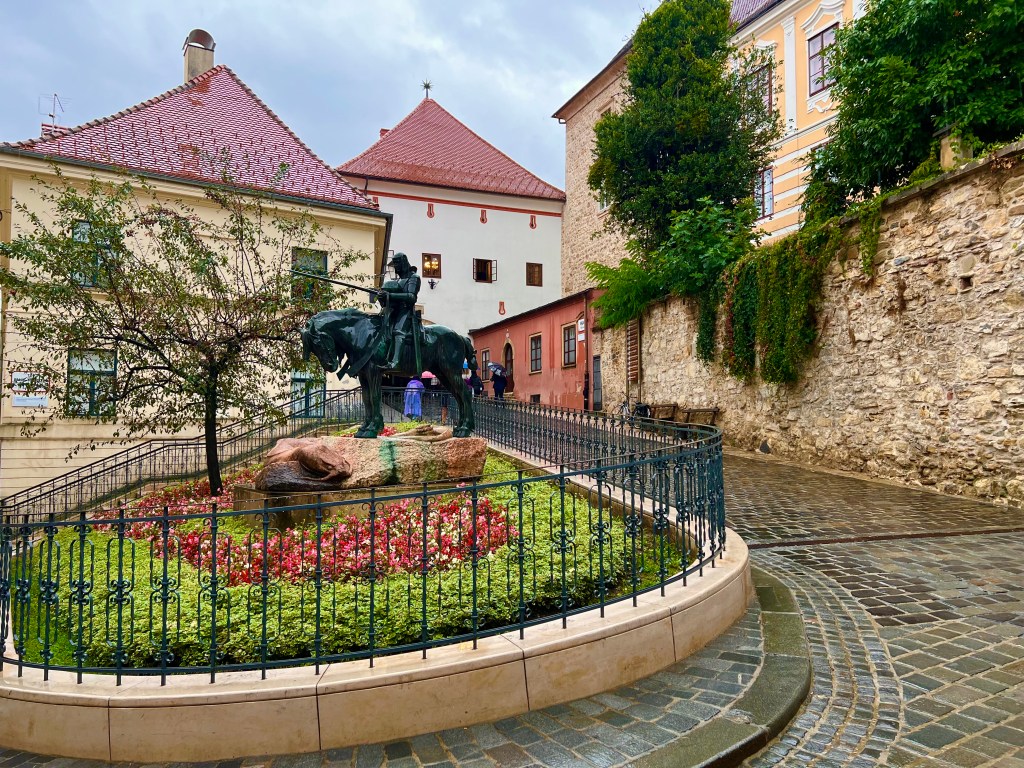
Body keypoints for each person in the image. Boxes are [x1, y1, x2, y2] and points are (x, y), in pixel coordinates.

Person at [378, 252, 421, 369]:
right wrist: (383, 297)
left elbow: (412, 297)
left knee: (398, 331)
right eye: (394, 264)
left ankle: (395, 362)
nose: (395, 266)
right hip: (393, 311)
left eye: (397, 263)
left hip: (406, 311)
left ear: (404, 262)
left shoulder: (414, 278)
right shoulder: (397, 281)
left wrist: (390, 295)